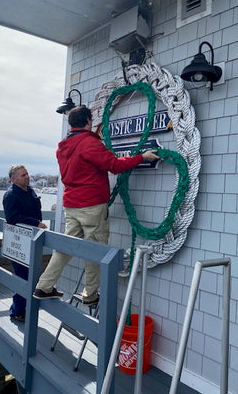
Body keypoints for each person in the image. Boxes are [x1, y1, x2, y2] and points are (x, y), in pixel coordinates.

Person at [33, 105, 159, 304]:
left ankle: (44, 286)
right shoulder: (89, 144)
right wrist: (142, 157)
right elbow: (115, 165)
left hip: (71, 205)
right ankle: (90, 295)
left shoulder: (62, 148)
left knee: (65, 247)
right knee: (95, 248)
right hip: (91, 206)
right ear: (88, 122)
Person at [3, 165, 47, 321]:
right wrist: (35, 222)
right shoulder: (10, 196)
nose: (27, 177)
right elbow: (12, 218)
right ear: (14, 179)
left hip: (33, 241)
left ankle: (27, 308)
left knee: (32, 275)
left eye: (27, 174)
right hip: (20, 243)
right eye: (23, 175)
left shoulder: (30, 191)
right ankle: (17, 311)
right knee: (22, 276)